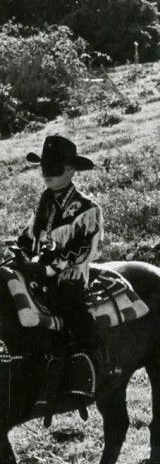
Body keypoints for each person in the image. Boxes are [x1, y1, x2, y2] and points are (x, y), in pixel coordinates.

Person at [18, 135, 104, 401]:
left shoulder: (87, 208)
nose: (47, 175)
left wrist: (48, 269)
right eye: (45, 168)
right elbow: (27, 237)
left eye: (54, 169)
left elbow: (80, 249)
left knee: (70, 303)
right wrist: (20, 254)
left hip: (70, 272)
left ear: (70, 170)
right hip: (38, 269)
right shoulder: (43, 204)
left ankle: (86, 364)